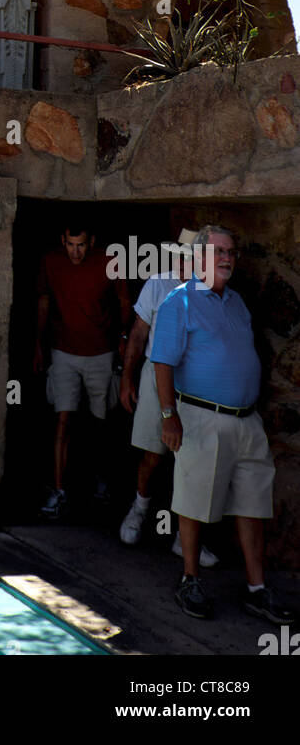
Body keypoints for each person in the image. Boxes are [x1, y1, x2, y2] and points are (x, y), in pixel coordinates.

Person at [151, 223, 294, 624]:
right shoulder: (179, 303)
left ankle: (256, 589)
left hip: (247, 422)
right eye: (220, 252)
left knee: (252, 505)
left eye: (231, 252)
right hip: (200, 417)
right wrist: (168, 416)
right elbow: (161, 363)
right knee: (194, 502)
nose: (228, 258)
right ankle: (190, 580)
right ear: (198, 260)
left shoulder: (237, 303)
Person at [118, 229, 218, 567]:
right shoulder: (157, 283)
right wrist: (126, 378)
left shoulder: (208, 289)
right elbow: (138, 334)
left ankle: (183, 539)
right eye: (180, 254)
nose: (183, 260)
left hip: (194, 381)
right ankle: (139, 509)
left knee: (191, 464)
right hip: (154, 376)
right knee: (153, 454)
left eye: (190, 256)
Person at [35, 216, 131, 517]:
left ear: (91, 242)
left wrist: (125, 336)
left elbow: (124, 300)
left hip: (101, 352)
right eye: (70, 245)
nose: (75, 252)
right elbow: (43, 300)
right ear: (62, 240)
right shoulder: (51, 261)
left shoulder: (110, 259)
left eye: (81, 245)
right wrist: (37, 343)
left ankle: (100, 483)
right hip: (63, 350)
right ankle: (59, 488)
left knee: (100, 421)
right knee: (62, 418)